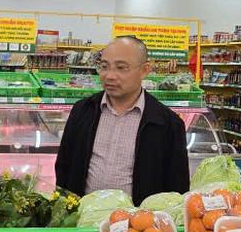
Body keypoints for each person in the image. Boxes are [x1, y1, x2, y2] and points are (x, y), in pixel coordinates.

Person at [55, 35, 189, 201]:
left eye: (121, 68)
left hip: (140, 217)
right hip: (82, 215)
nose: (110, 76)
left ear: (145, 70)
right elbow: (64, 166)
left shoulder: (168, 123)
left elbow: (177, 187)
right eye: (104, 66)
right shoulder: (82, 111)